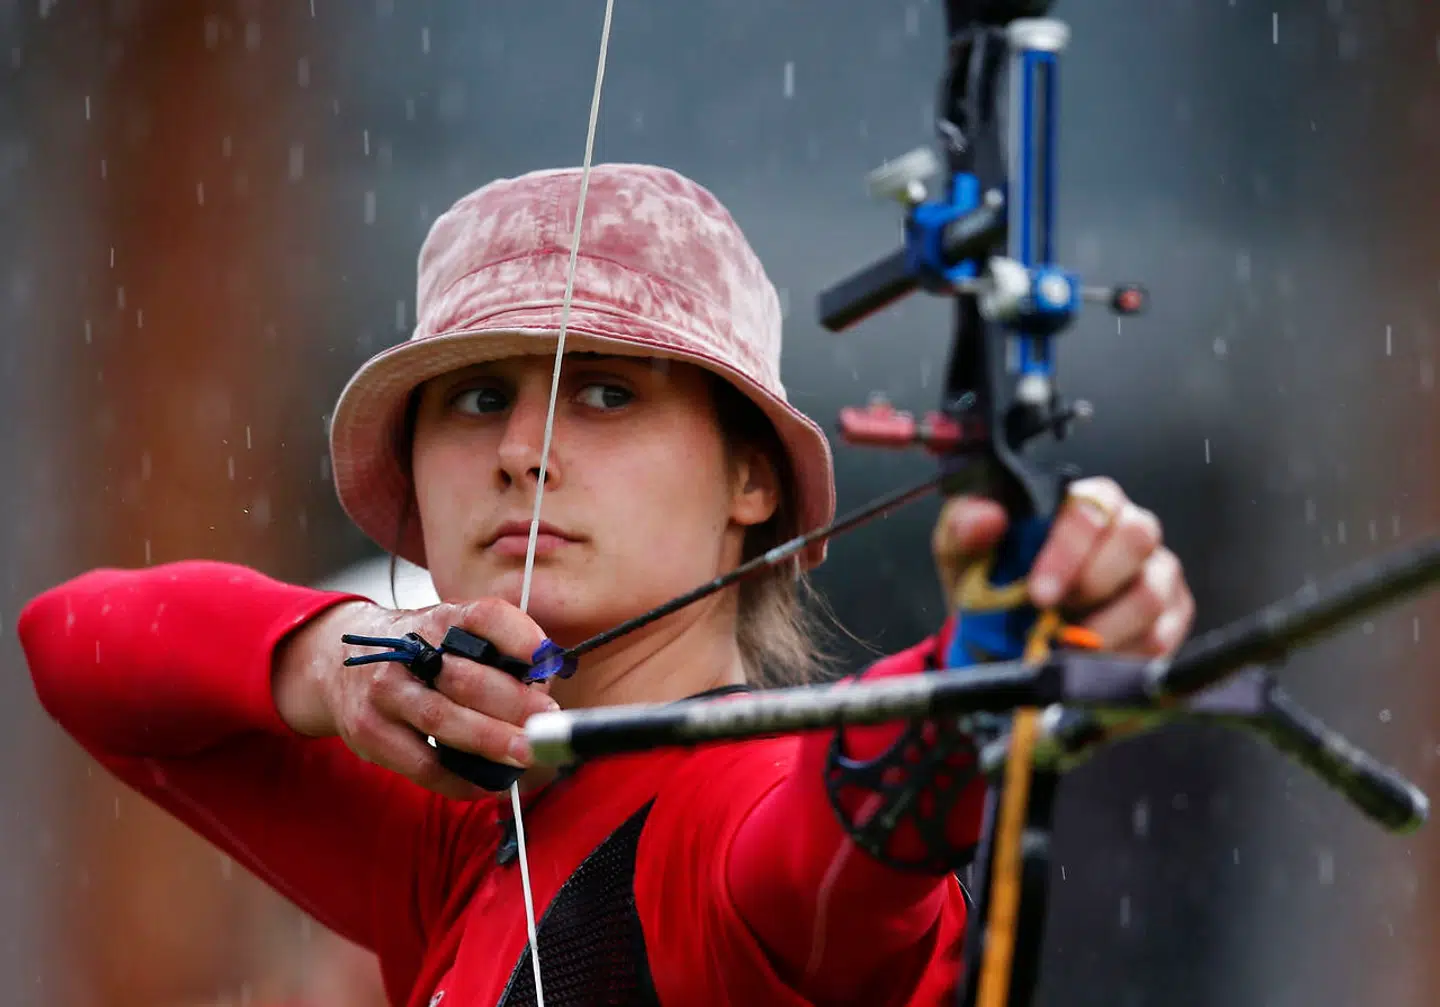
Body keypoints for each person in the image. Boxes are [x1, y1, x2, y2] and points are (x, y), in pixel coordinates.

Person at [20, 163, 1194, 1006]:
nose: (522, 450)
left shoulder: (733, 814)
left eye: (606, 392)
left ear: (751, 476)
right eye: (479, 396)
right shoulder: (460, 836)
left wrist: (989, 654)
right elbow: (73, 646)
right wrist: (335, 659)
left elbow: (849, 830)